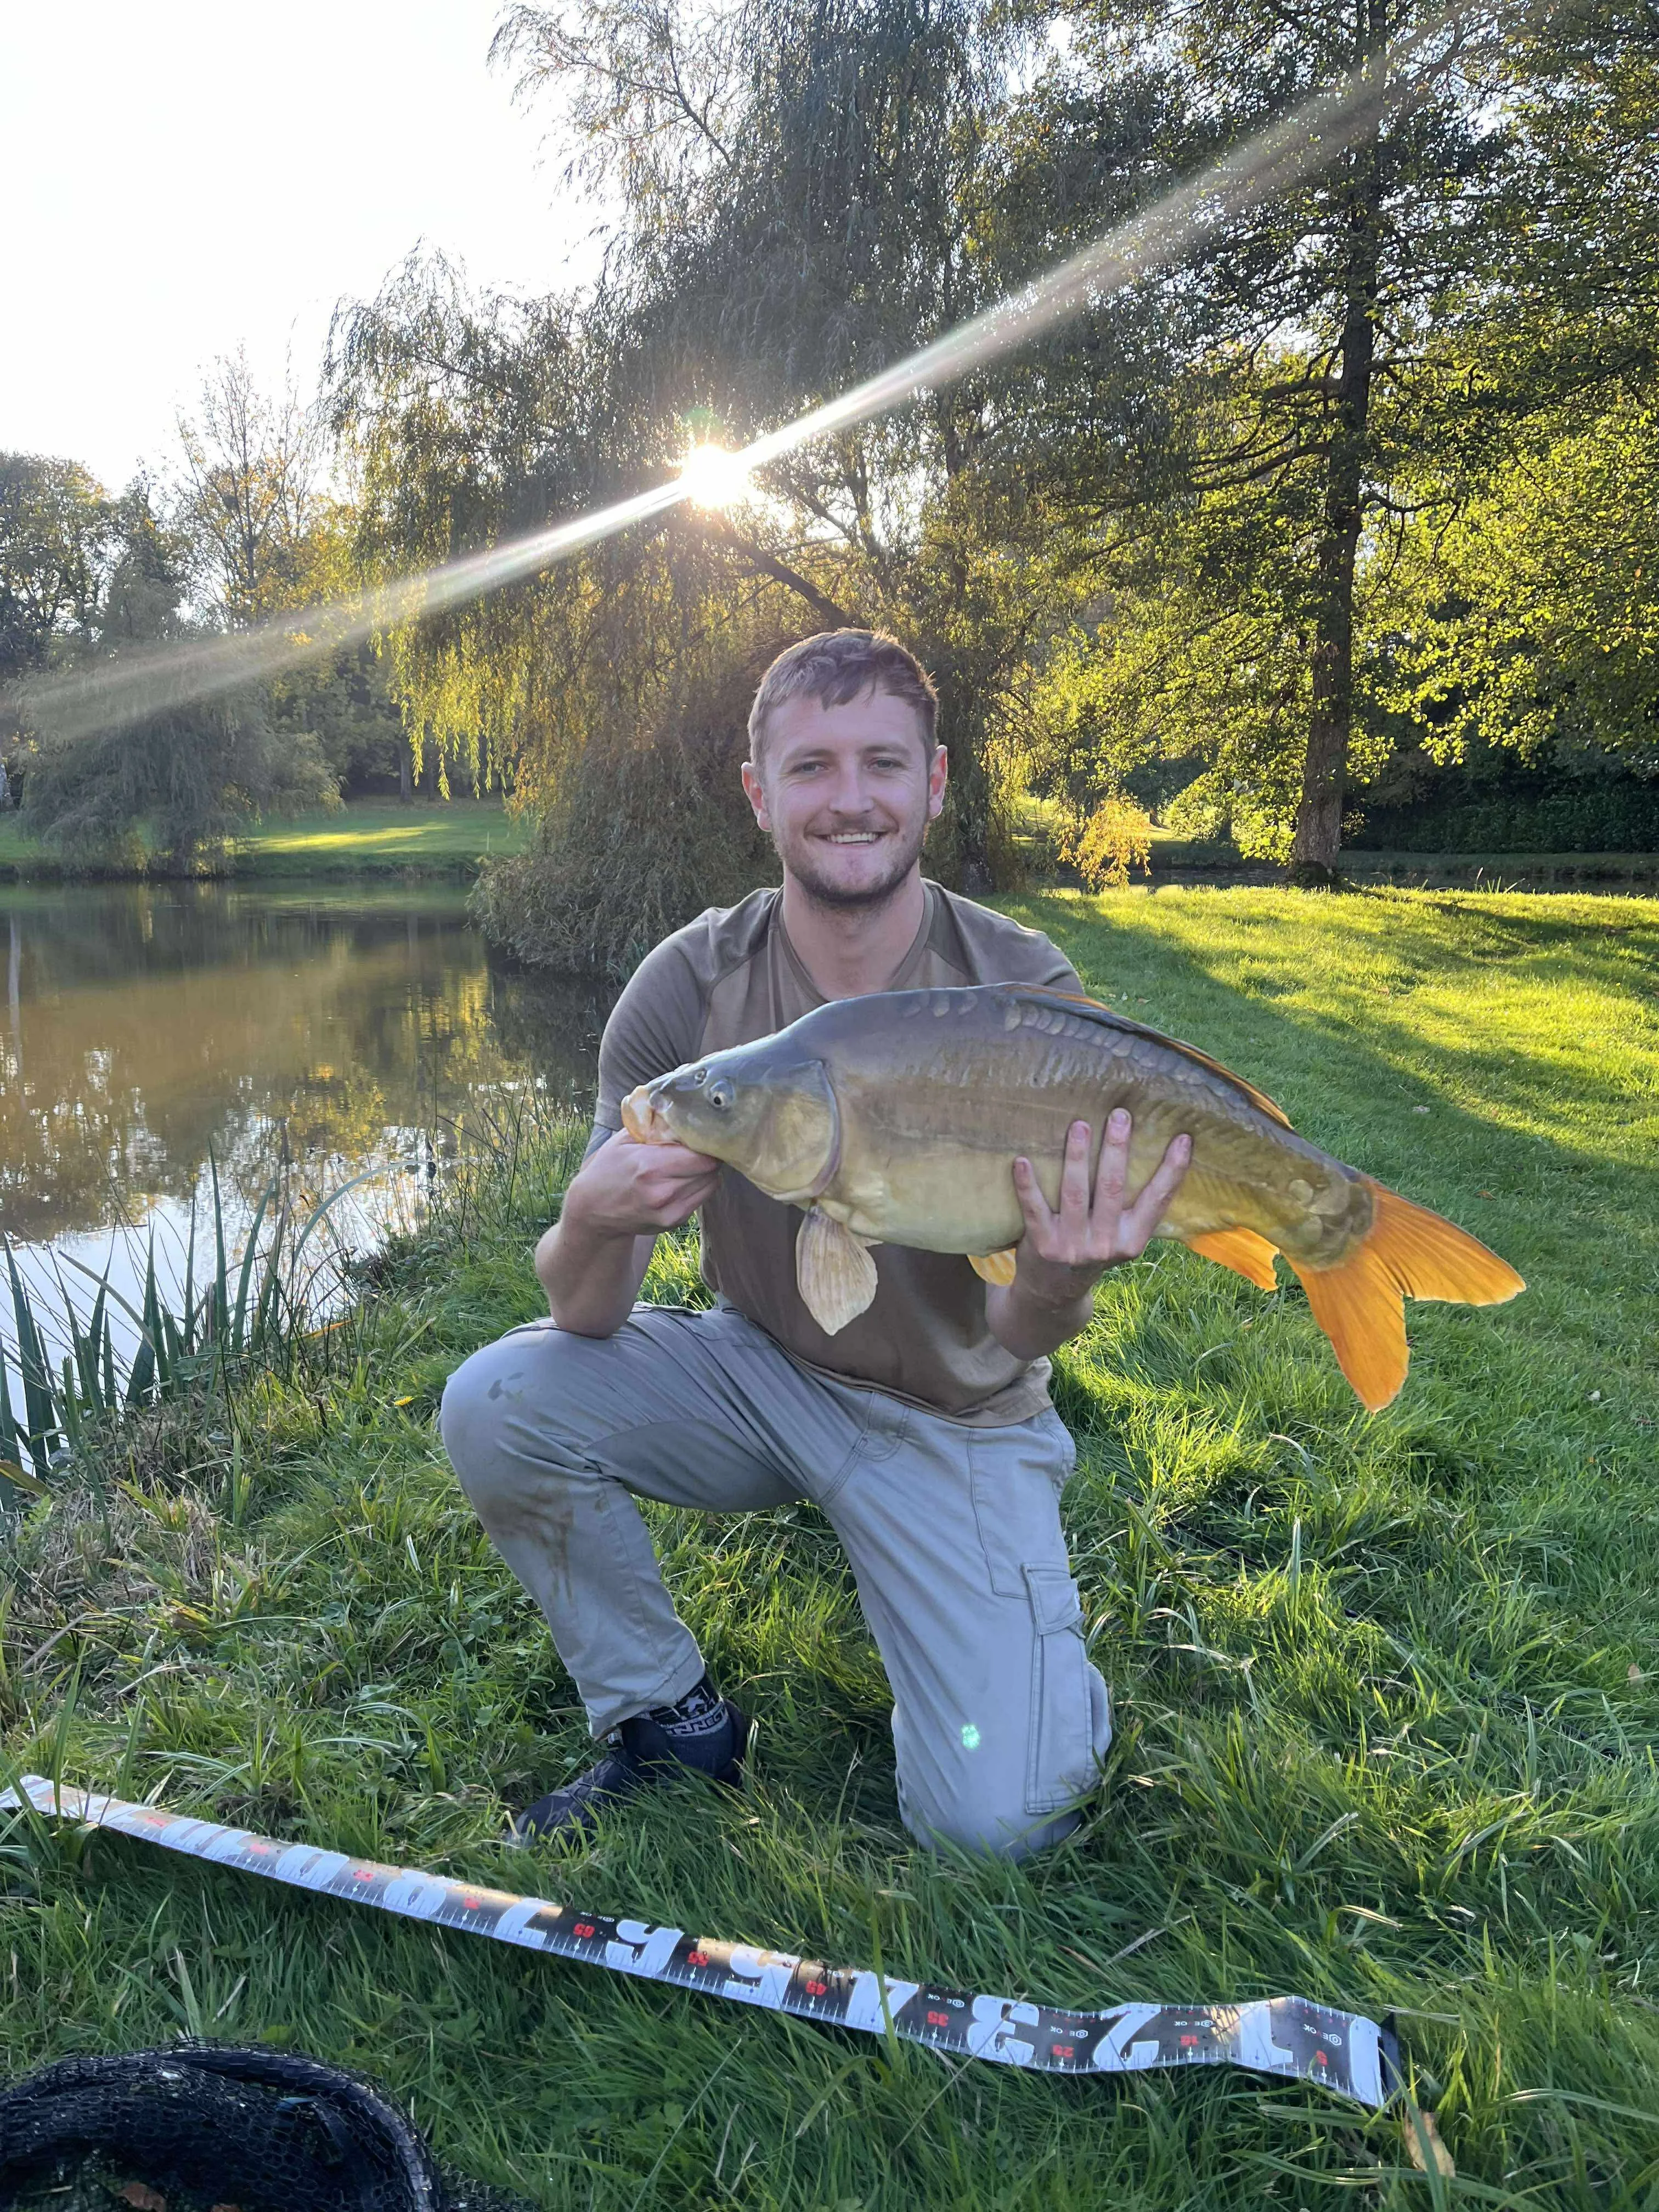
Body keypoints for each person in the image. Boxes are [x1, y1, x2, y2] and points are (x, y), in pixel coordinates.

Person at [441, 630, 1190, 1858]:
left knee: (1002, 1827)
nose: (851, 800)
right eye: (813, 768)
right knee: (498, 1399)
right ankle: (665, 1719)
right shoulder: (689, 991)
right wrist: (589, 1216)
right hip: (766, 1373)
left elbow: (1024, 1332)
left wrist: (1060, 1278)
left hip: (960, 1416)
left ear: (935, 783)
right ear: (761, 794)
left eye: (883, 764)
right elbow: (584, 1312)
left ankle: (1017, 1678)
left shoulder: (1021, 989)